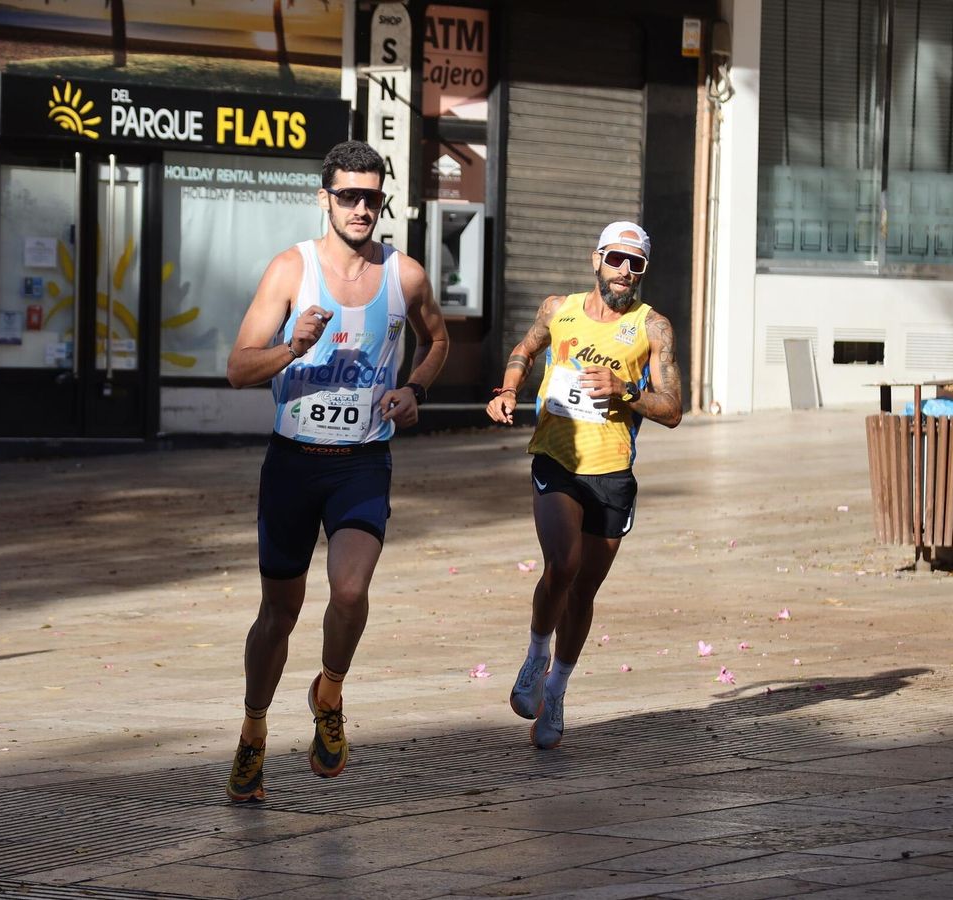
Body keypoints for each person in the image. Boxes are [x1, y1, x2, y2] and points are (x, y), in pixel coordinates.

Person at [223, 140, 448, 801]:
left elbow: (439, 340)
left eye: (371, 197)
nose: (360, 208)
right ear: (324, 199)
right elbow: (238, 367)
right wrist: (291, 346)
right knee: (279, 613)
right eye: (347, 196)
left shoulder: (405, 276)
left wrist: (417, 390)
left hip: (362, 463)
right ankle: (253, 733)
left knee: (349, 592)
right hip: (292, 463)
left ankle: (329, 693)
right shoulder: (292, 271)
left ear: (383, 201)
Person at [485, 220, 683, 749]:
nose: (624, 270)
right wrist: (507, 389)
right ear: (596, 260)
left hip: (612, 471)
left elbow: (673, 409)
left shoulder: (653, 327)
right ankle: (535, 654)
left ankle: (557, 689)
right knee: (562, 565)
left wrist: (626, 393)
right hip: (557, 458)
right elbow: (525, 351)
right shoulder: (558, 308)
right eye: (615, 259)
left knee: (585, 589)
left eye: (634, 262)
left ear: (643, 270)